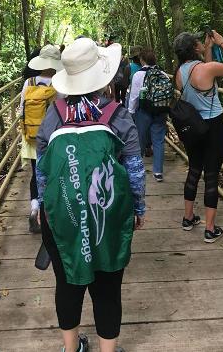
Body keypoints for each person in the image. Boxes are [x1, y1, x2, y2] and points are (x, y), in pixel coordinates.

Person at [36, 37, 146, 352]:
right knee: (108, 287)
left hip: (62, 214)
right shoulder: (117, 114)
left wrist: (45, 206)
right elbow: (135, 169)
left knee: (68, 283)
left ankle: (71, 349)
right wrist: (137, 208)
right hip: (109, 211)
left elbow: (42, 170)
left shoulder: (53, 113)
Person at [173, 30, 223, 242]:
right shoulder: (207, 69)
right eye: (199, 42)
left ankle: (188, 218)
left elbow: (204, 72)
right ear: (195, 47)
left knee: (195, 169)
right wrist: (222, 42)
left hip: (192, 126)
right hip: (213, 126)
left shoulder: (180, 72)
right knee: (212, 174)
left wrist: (208, 48)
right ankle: (210, 229)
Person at [19, 44, 63, 233]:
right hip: (53, 138)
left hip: (32, 138)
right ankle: (52, 214)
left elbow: (21, 110)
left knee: (37, 175)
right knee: (55, 175)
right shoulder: (60, 82)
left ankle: (35, 209)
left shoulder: (29, 83)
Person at [128, 49, 168, 182]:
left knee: (140, 139)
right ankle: (158, 172)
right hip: (160, 111)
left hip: (144, 111)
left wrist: (130, 112)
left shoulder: (138, 75)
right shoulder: (163, 74)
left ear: (142, 60)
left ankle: (137, 167)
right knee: (158, 140)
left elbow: (134, 96)